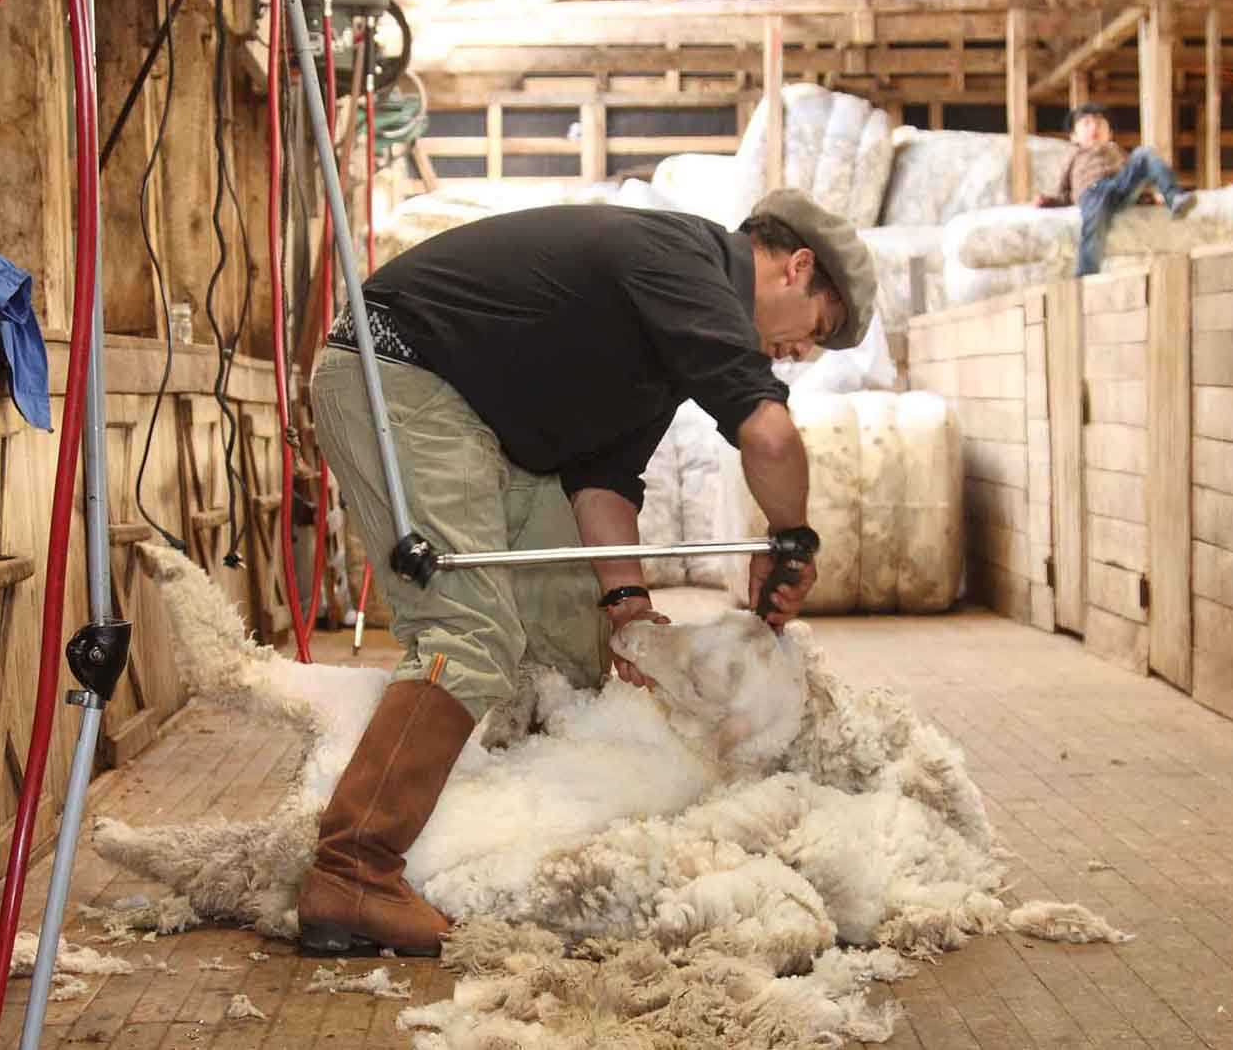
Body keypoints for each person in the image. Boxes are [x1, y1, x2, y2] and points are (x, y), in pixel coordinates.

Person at [297, 188, 877, 958]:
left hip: (478, 415)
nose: (801, 352)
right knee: (469, 631)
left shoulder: (675, 316)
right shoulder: (685, 264)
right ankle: (352, 869)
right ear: (797, 267)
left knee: (576, 631)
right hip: (399, 374)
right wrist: (791, 540)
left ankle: (512, 839)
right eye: (818, 329)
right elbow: (769, 437)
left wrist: (628, 608)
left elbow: (602, 482)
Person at [1037, 103, 1196, 277]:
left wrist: (1146, 197)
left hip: (1118, 187)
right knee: (1095, 223)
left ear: (1110, 134)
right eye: (1086, 123)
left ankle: (1174, 197)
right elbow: (1064, 190)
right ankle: (1087, 273)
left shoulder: (1115, 150)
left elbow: (1132, 177)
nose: (1094, 127)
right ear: (1074, 136)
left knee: (1144, 154)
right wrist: (1051, 201)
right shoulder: (1075, 155)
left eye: (1100, 123)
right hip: (1092, 192)